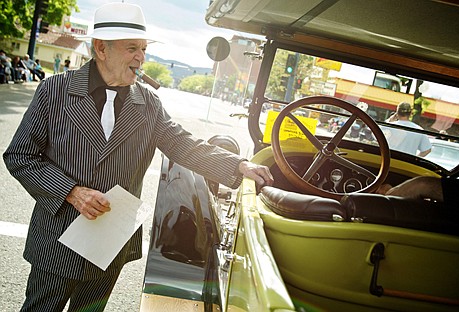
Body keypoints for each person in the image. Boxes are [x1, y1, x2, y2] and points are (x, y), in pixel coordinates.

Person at [3, 3, 274, 312]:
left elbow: (183, 144)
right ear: (101, 48)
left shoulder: (149, 104)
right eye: (132, 48)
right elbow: (20, 155)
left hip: (110, 244)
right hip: (57, 239)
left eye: (143, 49)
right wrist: (72, 193)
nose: (141, 58)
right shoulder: (54, 91)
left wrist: (238, 165)